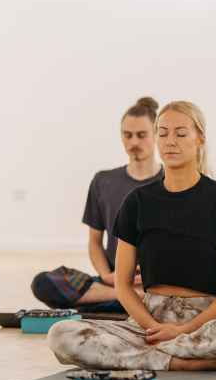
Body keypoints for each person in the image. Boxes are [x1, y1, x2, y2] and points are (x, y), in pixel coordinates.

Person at [47, 101, 216, 371]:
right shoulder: (136, 202)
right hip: (148, 322)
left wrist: (185, 328)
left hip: (205, 322)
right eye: (162, 133)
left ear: (200, 138)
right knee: (61, 334)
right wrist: (153, 327)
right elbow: (124, 286)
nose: (170, 141)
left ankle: (151, 356)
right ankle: (177, 361)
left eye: (180, 133)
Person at [31, 97, 163, 311]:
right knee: (43, 282)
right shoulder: (103, 181)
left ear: (156, 135)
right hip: (112, 280)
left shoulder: (172, 181)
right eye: (127, 135)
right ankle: (125, 299)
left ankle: (114, 303)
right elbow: (95, 241)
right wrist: (107, 276)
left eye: (141, 135)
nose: (133, 143)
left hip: (156, 283)